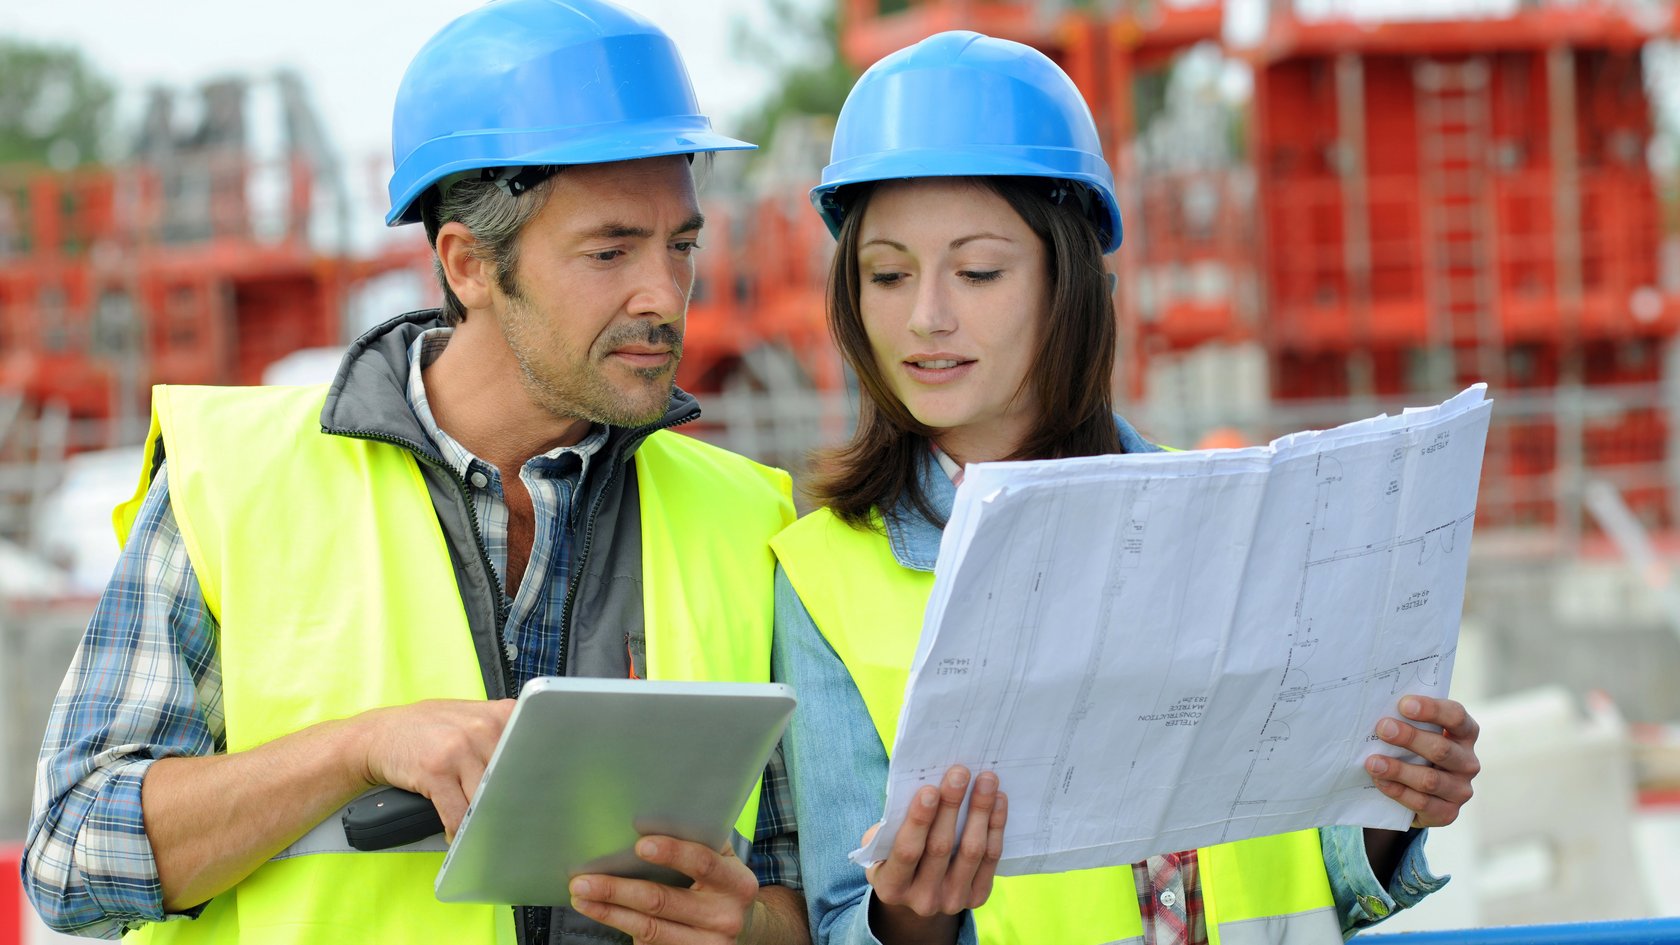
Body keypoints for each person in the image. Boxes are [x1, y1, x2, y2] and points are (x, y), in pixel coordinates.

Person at [22, 2, 810, 943]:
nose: (665, 295)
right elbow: (72, 858)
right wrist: (360, 747)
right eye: (609, 251)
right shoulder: (235, 479)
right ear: (469, 263)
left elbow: (807, 886)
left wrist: (757, 927)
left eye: (681, 245)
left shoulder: (742, 514)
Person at [770, 31, 1481, 945]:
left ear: (1069, 280)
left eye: (978, 271)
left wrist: (1393, 802)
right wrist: (914, 909)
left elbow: (1308, 875)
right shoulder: (823, 577)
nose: (926, 316)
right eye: (888, 273)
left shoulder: (1227, 519)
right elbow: (839, 917)